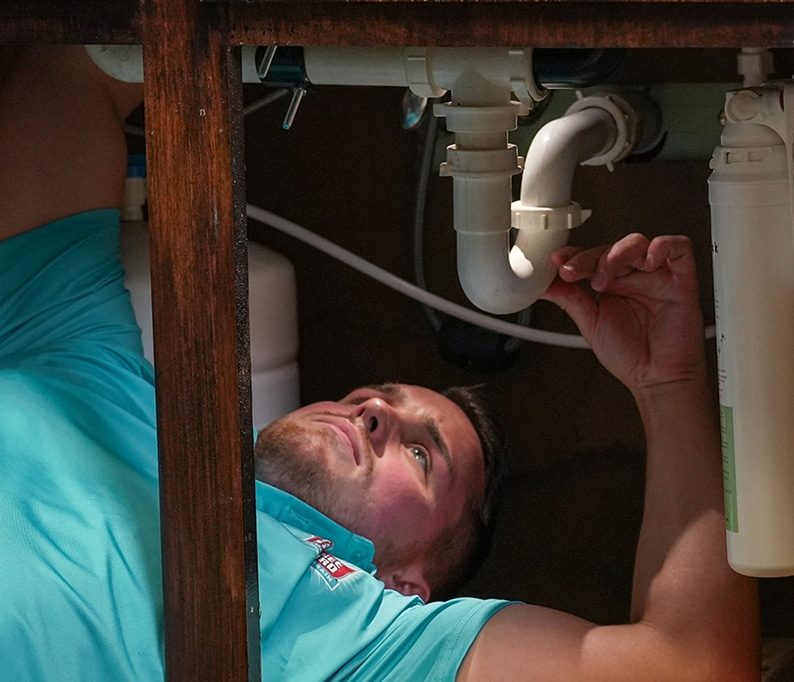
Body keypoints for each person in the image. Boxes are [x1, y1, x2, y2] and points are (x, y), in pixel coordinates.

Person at [0, 46, 759, 680]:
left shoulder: (366, 639)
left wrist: (671, 384)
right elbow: (72, 69)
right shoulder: (96, 377)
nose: (373, 412)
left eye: (421, 455)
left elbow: (690, 665)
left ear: (407, 582)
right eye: (377, 395)